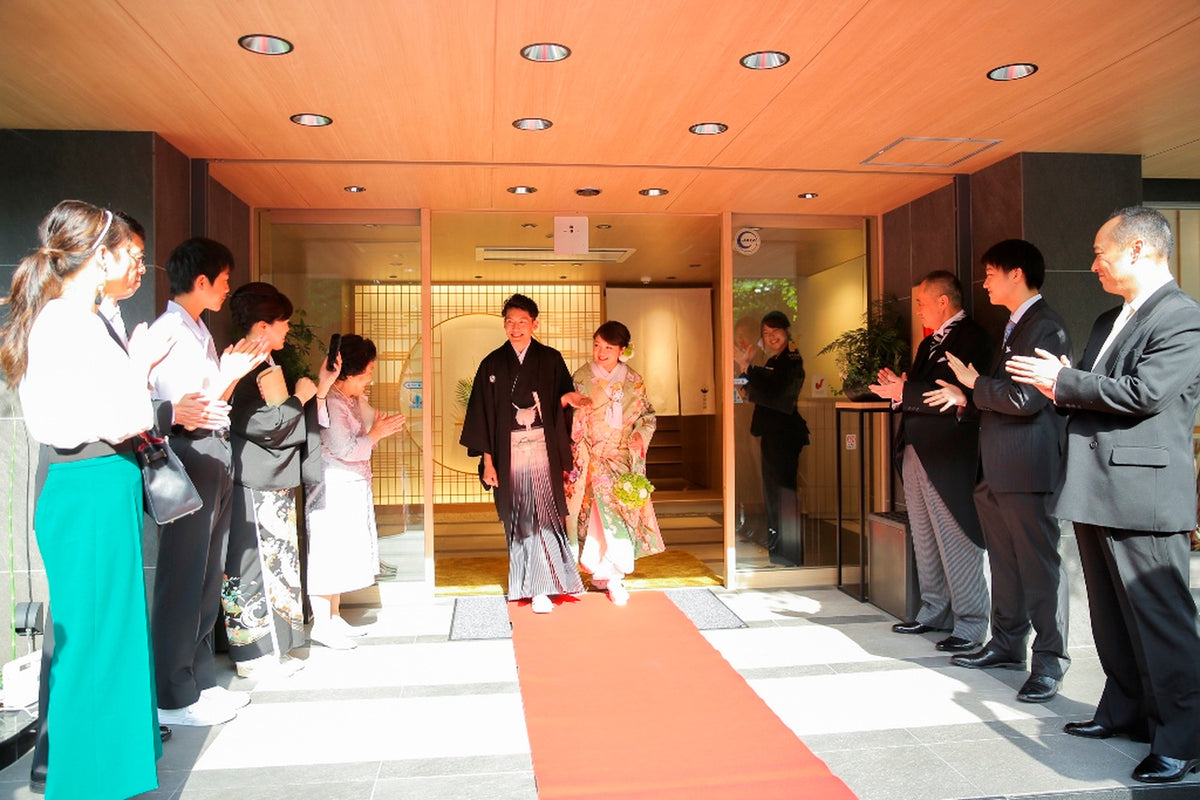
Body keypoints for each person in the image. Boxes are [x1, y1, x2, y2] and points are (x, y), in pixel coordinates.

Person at [1007, 206, 1200, 784]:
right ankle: (1124, 711)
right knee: (1111, 616)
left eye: (1100, 253)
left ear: (1137, 249)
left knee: (1161, 621)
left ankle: (1183, 738)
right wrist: (1065, 384)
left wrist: (1064, 381)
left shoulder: (1182, 317)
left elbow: (1144, 393)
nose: (1093, 264)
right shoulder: (1108, 319)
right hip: (1096, 485)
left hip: (1144, 493)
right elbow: (1095, 390)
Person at [0, 200, 162, 799]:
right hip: (90, 482)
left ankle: (106, 775)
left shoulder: (69, 318)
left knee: (104, 634)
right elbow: (125, 417)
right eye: (129, 254)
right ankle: (87, 782)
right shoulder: (69, 322)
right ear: (101, 257)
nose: (135, 265)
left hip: (92, 483)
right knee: (97, 639)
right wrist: (140, 367)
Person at [922, 240, 1072, 703]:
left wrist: (974, 385)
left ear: (1016, 273)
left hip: (1028, 469)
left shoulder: (1045, 326)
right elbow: (1002, 396)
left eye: (990, 273)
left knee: (1040, 570)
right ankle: (1007, 644)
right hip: (999, 468)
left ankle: (1049, 661)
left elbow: (1027, 399)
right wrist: (968, 397)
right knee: (1006, 565)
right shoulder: (1015, 325)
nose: (984, 282)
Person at [147, 238, 267, 726]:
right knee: (184, 576)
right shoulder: (169, 332)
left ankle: (198, 682)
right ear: (202, 280)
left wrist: (234, 374)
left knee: (207, 574)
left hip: (212, 451)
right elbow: (187, 409)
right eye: (224, 280)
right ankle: (174, 695)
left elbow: (216, 401)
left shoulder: (199, 330)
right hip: (189, 452)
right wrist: (230, 375)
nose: (227, 289)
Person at [870, 271, 992, 652]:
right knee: (923, 536)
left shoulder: (972, 337)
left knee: (955, 536)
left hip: (948, 455)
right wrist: (898, 389)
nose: (919, 309)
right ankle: (934, 610)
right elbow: (919, 390)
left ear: (943, 301)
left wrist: (904, 390)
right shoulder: (927, 344)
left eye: (922, 303)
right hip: (916, 450)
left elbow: (950, 393)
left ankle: (971, 623)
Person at [225, 282, 337, 668]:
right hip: (256, 480)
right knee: (256, 566)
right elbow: (264, 425)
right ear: (263, 326)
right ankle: (252, 653)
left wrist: (315, 388)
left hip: (271, 478)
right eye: (283, 322)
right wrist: (300, 397)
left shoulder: (264, 362)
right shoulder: (244, 367)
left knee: (277, 565)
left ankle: (275, 646)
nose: (288, 328)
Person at [459, 293, 588, 613]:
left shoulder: (551, 359)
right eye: (510, 322)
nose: (515, 328)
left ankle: (548, 585)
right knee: (519, 518)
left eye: (522, 322)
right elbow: (482, 416)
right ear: (504, 325)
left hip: (543, 452)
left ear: (534, 324)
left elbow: (561, 404)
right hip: (508, 455)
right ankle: (529, 586)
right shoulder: (491, 363)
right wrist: (488, 462)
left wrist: (566, 401)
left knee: (546, 516)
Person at [305, 334, 407, 648]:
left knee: (340, 554)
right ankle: (322, 624)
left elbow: (367, 422)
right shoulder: (332, 402)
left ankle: (334, 616)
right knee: (328, 554)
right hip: (332, 487)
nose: (369, 379)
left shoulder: (348, 398)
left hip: (348, 486)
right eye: (367, 373)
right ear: (348, 374)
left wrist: (379, 425)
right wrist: (376, 434)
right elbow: (345, 449)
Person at [565, 321, 665, 605]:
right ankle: (601, 574)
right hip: (588, 457)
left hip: (620, 459)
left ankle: (614, 577)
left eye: (609, 347)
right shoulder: (581, 376)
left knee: (618, 517)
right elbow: (568, 416)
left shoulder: (634, 380)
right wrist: (578, 425)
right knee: (592, 518)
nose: (601, 352)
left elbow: (647, 415)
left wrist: (640, 436)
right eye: (597, 345)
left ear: (622, 350)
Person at [734, 311, 810, 565]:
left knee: (783, 494)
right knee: (774, 495)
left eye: (775, 330)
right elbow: (762, 387)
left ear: (786, 331)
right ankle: (779, 552)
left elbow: (777, 398)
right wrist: (746, 370)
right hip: (774, 435)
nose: (771, 336)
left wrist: (748, 372)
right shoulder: (774, 360)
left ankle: (789, 554)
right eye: (766, 333)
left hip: (784, 436)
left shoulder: (791, 360)